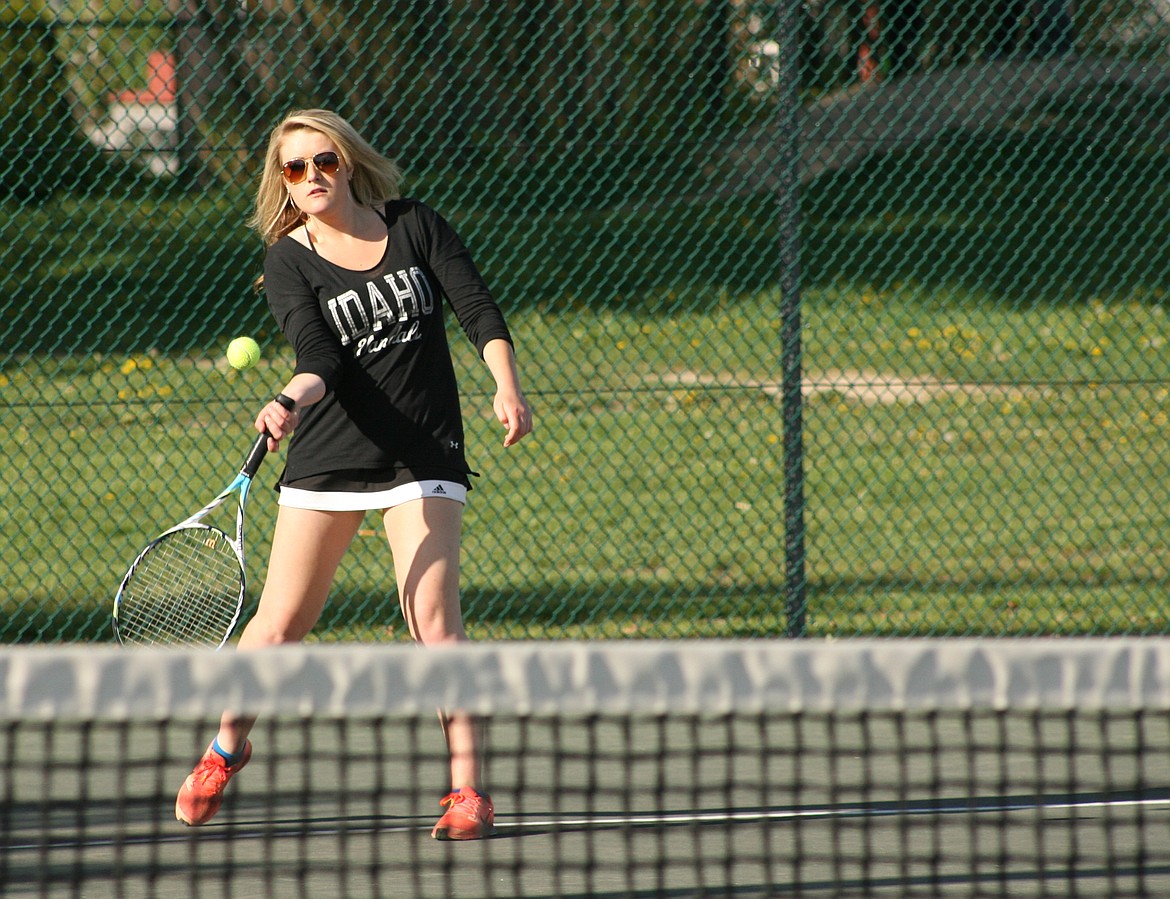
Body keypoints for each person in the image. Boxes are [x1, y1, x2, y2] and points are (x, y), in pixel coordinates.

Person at [174, 108, 533, 840]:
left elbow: (476, 306)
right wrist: (286, 399)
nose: (311, 177)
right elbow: (320, 358)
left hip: (423, 454)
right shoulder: (288, 260)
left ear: (349, 161)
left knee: (434, 620)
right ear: (282, 181)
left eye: (324, 161)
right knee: (278, 627)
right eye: (295, 168)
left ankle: (469, 791)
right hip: (330, 456)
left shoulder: (414, 225)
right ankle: (224, 749)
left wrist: (507, 384)